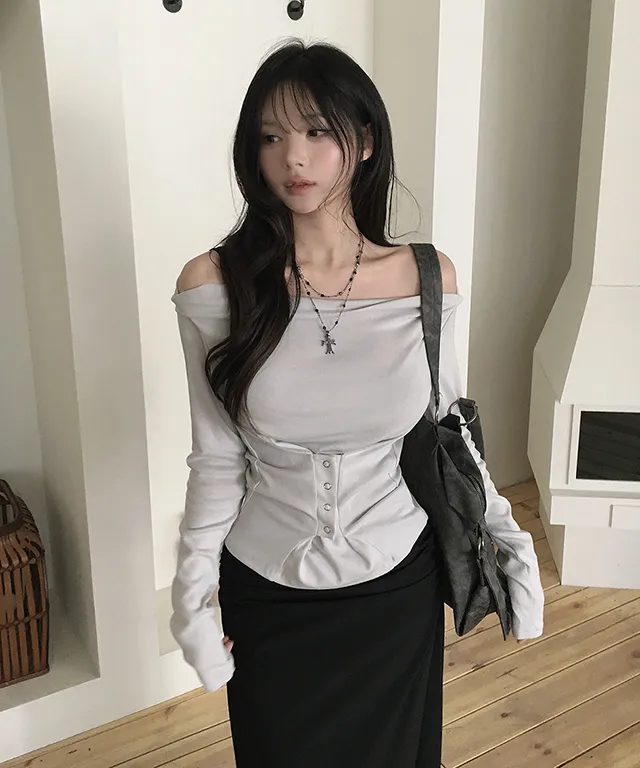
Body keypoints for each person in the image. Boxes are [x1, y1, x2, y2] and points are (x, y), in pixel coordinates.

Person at [169, 38, 544, 768]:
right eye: (270, 137)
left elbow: (450, 433)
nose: (293, 158)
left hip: (397, 588)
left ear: (365, 140)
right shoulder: (215, 285)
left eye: (317, 131)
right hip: (268, 592)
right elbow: (215, 459)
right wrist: (191, 602)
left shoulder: (427, 278)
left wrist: (513, 548)